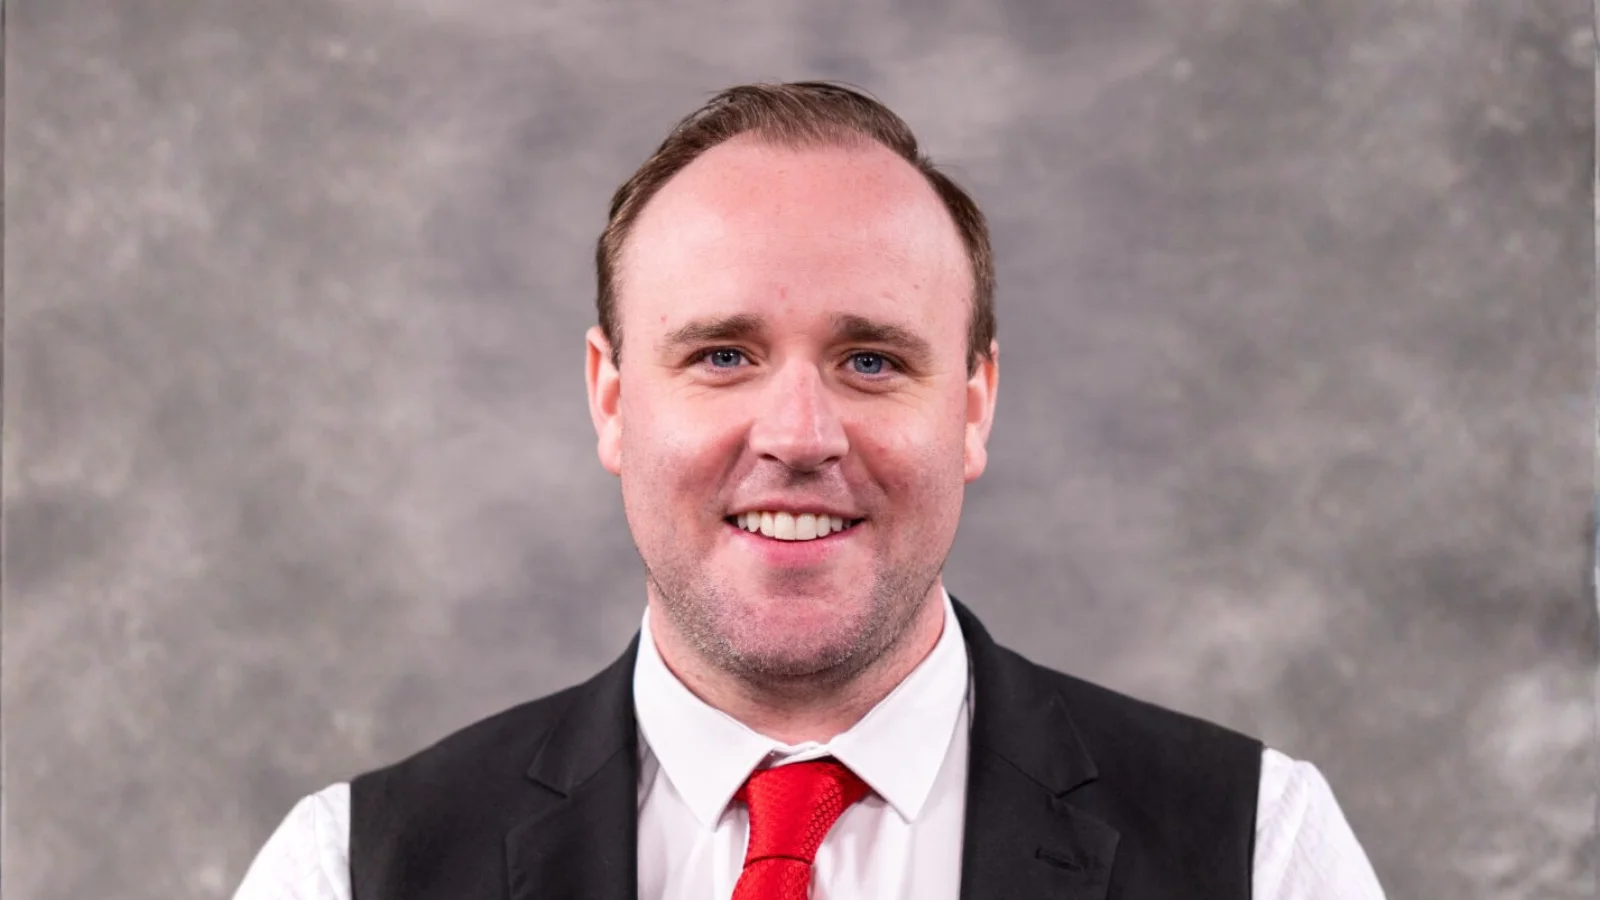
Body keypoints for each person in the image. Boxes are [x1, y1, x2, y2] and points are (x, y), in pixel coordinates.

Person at [233, 81, 1387, 900]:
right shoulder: (345, 871)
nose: (797, 436)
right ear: (611, 399)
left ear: (974, 405)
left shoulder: (1258, 852)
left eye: (871, 360)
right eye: (722, 355)